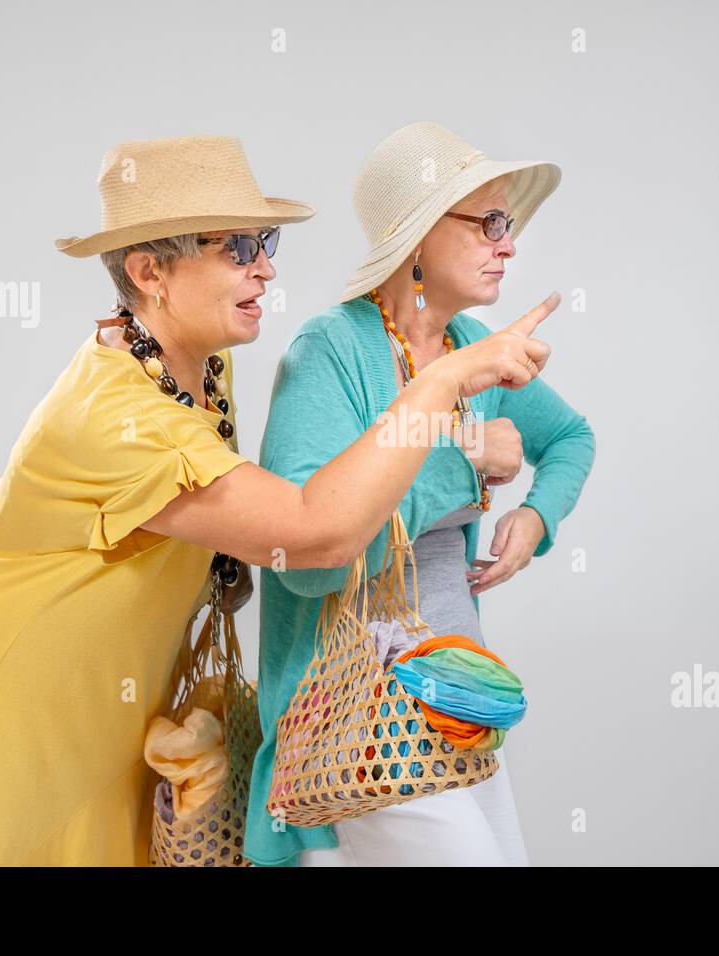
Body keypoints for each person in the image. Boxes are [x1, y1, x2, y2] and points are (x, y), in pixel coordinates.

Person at [0, 134, 558, 865]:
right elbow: (312, 536)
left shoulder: (195, 365)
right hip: (16, 726)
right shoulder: (117, 419)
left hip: (124, 723)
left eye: (264, 241)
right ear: (149, 272)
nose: (266, 266)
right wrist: (441, 388)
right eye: (236, 248)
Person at [248, 122, 596, 867]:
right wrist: (464, 467)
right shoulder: (331, 352)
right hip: (350, 713)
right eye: (490, 224)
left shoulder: (477, 346)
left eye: (510, 225)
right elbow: (306, 560)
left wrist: (536, 516)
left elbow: (573, 439)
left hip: (451, 701)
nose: (509, 245)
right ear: (416, 239)